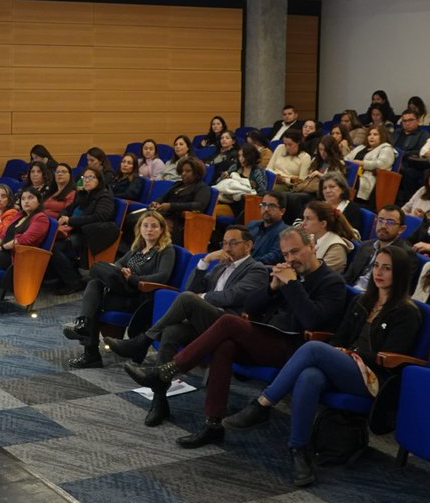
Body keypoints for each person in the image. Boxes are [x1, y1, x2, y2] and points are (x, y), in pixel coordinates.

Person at [125, 226, 348, 448]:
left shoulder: (332, 282)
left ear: (312, 246)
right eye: (286, 254)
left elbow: (312, 320)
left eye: (295, 251)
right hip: (262, 337)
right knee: (225, 344)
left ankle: (166, 371)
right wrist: (272, 288)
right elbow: (250, 306)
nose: (290, 259)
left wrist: (291, 284)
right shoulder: (289, 274)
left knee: (228, 322)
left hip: (293, 349)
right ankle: (213, 425)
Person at [222, 246, 422, 487]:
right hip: (346, 366)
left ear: (399, 273)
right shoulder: (362, 301)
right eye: (377, 266)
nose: (378, 272)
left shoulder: (407, 312)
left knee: (314, 349)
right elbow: (339, 337)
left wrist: (347, 354)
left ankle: (262, 404)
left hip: (374, 378)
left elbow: (388, 358)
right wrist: (338, 351)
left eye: (387, 268)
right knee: (310, 376)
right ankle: (299, 450)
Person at [107, 225, 269, 425]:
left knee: (187, 299)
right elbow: (190, 288)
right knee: (171, 332)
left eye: (233, 243)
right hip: (205, 322)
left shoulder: (256, 269)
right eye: (224, 243)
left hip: (229, 325)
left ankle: (144, 340)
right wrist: (205, 261)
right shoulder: (220, 266)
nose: (227, 248)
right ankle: (159, 402)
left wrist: (201, 297)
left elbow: (232, 296)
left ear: (248, 245)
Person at [62, 211, 176, 368]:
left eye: (154, 226)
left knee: (97, 271)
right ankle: (87, 333)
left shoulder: (166, 250)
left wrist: (132, 278)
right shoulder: (138, 248)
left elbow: (163, 276)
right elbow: (118, 264)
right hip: (121, 291)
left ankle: (89, 351)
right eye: (145, 226)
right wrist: (121, 271)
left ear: (162, 229)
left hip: (138, 295)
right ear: (139, 228)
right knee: (95, 285)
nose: (149, 229)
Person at [48, 166, 117, 294]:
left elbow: (99, 217)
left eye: (91, 177)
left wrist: (70, 221)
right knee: (50, 242)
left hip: (90, 234)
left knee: (56, 247)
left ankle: (73, 282)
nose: (87, 180)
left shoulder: (104, 197)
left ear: (99, 180)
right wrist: (63, 216)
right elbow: (67, 209)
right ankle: (65, 276)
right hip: (74, 229)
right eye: (84, 177)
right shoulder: (81, 194)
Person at [0, 187, 51, 305]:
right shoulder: (20, 215)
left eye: (30, 198)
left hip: (17, 257)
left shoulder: (41, 218)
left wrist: (1, 248)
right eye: (23, 199)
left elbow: (24, 240)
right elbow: (3, 233)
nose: (26, 201)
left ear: (39, 201)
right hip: (3, 251)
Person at [345, 204, 413, 291]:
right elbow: (348, 276)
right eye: (380, 220)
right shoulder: (365, 245)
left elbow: (397, 290)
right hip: (351, 291)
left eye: (390, 222)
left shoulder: (405, 254)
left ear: (401, 229)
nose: (383, 226)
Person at [144, 157, 210, 246]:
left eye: (188, 171)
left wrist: (171, 206)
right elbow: (163, 197)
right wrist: (156, 202)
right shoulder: (178, 184)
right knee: (134, 218)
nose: (183, 174)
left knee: (145, 224)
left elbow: (199, 206)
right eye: (182, 171)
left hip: (180, 221)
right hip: (164, 215)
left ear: (196, 173)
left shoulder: (202, 187)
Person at [301, 199, 358, 271]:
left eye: (308, 219)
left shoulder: (336, 248)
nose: (303, 223)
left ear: (323, 224)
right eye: (304, 218)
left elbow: (320, 274)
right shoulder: (312, 237)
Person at [247, 191, 292, 264]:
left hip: (260, 269)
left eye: (272, 206)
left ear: (282, 211)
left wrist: (245, 263)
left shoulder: (286, 232)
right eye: (264, 204)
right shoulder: (251, 225)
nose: (266, 209)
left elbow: (274, 257)